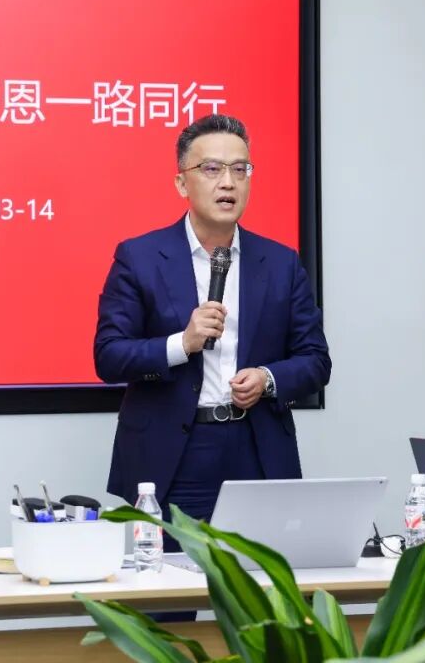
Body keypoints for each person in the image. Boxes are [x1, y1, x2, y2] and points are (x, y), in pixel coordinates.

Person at [95, 113, 331, 541]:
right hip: (174, 456)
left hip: (255, 451)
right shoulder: (140, 258)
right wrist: (181, 343)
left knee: (258, 582)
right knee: (169, 582)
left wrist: (268, 378)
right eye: (211, 169)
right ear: (182, 183)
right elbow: (109, 356)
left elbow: (315, 361)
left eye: (240, 169)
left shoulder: (280, 263)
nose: (228, 182)